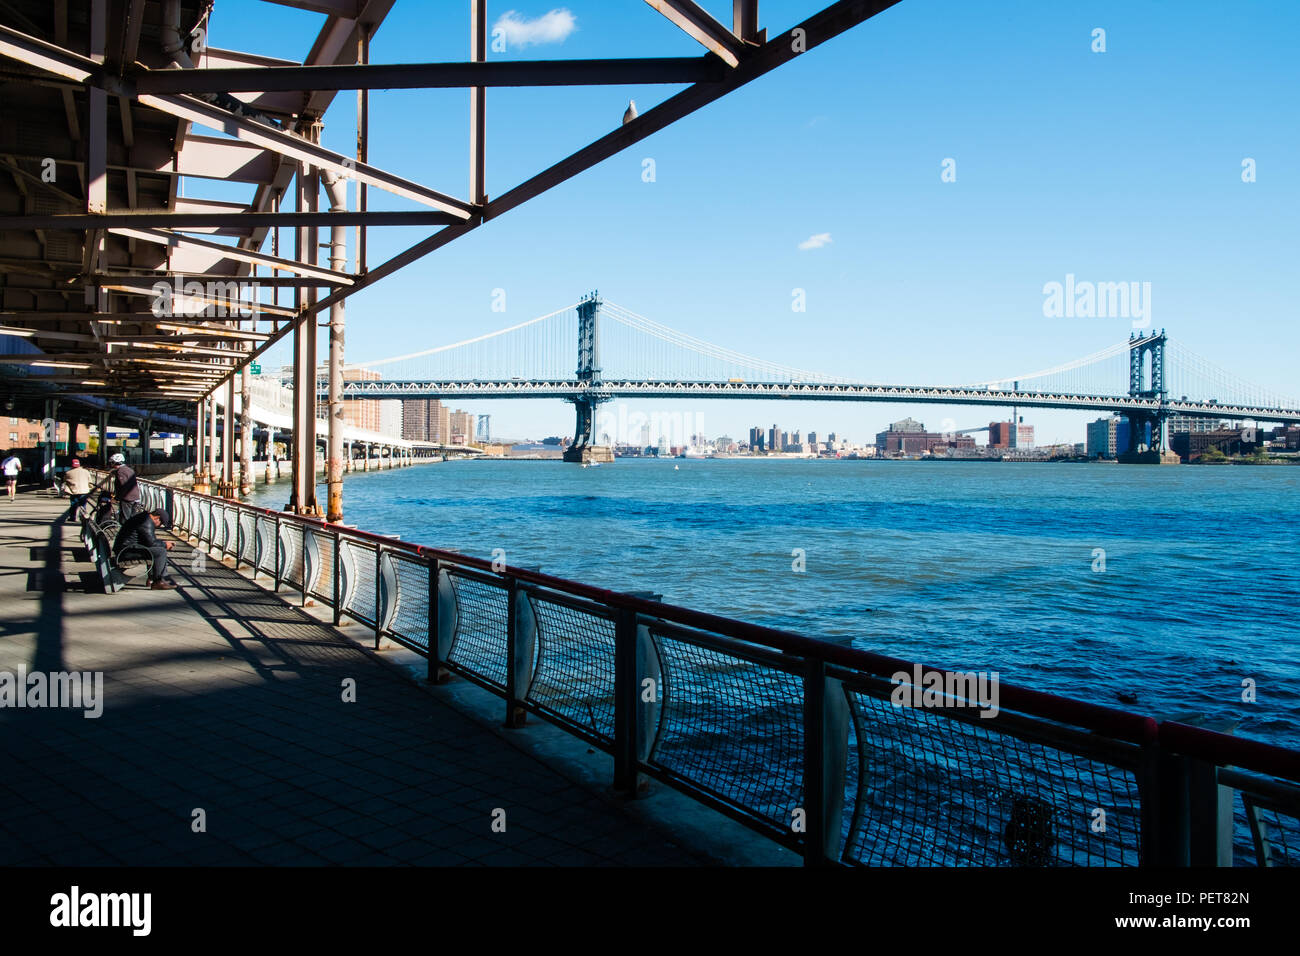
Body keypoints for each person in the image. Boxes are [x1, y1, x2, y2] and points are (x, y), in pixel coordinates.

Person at [114, 508, 176, 590]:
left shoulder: (143, 517)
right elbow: (151, 543)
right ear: (157, 518)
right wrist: (165, 544)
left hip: (125, 549)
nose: (159, 526)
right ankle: (158, 581)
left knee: (154, 550)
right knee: (161, 552)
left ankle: (151, 579)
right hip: (126, 552)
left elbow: (148, 541)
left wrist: (163, 543)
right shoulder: (146, 522)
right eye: (160, 523)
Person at [100, 452, 142, 521]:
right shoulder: (129, 469)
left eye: (112, 463)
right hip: (135, 497)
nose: (111, 464)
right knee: (133, 519)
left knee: (125, 519)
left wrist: (116, 498)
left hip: (127, 499)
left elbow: (124, 487)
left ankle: (126, 531)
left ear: (115, 463)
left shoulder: (120, 472)